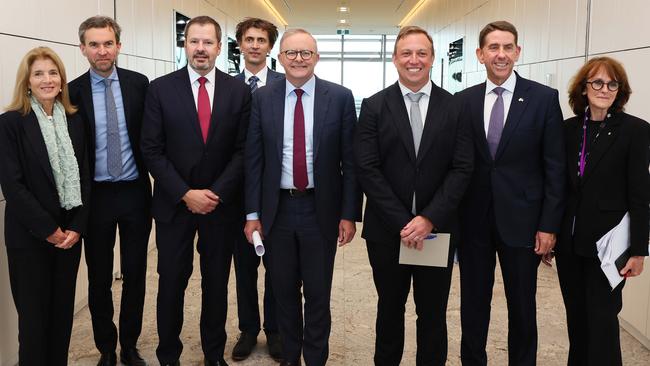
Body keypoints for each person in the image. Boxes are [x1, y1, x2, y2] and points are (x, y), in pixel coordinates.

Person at [354, 26, 473, 365]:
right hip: (388, 233)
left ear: (432, 59)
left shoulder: (455, 107)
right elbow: (368, 169)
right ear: (394, 59)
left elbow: (463, 168)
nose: (414, 60)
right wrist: (405, 222)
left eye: (421, 53)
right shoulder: (374, 106)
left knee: (432, 314)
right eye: (406, 53)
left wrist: (428, 218)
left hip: (436, 230)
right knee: (389, 310)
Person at [244, 28, 362, 366]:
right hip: (276, 211)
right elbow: (253, 161)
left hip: (319, 210)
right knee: (283, 294)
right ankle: (290, 359)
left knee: (318, 295)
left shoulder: (339, 97)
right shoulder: (262, 98)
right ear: (279, 58)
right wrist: (252, 214)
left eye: (306, 53)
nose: (298, 59)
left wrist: (349, 214)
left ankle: (315, 359)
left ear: (317, 58)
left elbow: (350, 163)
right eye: (291, 53)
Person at [141, 15, 251, 366]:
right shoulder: (160, 89)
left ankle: (213, 353)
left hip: (221, 207)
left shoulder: (239, 91)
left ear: (220, 47)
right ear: (185, 44)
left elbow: (244, 150)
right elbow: (151, 150)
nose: (200, 49)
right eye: (194, 41)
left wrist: (215, 193)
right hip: (175, 206)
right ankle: (168, 355)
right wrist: (185, 193)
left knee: (216, 284)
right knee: (171, 282)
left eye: (207, 42)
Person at [455, 20, 565, 366]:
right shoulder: (463, 101)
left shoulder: (543, 99)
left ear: (517, 52)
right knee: (473, 303)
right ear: (480, 54)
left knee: (522, 304)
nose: (500, 55)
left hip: (524, 221)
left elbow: (555, 167)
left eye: (507, 47)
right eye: (493, 48)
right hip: (473, 221)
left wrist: (549, 225)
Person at [68, 15, 152, 366]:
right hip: (96, 198)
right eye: (94, 44)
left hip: (134, 192)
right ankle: (106, 348)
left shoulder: (139, 84)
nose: (102, 51)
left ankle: (129, 345)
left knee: (135, 274)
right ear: (83, 48)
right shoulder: (71, 91)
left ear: (119, 45)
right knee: (99, 277)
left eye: (108, 43)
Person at [0, 46, 90, 366]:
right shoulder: (10, 123)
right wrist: (49, 230)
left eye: (53, 73)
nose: (47, 79)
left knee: (61, 319)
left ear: (62, 81)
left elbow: (85, 177)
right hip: (31, 237)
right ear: (27, 81)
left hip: (69, 236)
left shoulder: (75, 121)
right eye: (38, 73)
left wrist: (77, 226)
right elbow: (13, 186)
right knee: (34, 324)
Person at [556, 56, 649, 366]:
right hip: (571, 245)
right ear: (584, 88)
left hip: (609, 247)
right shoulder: (568, 130)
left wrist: (638, 251)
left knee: (603, 322)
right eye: (597, 82)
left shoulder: (635, 131)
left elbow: (640, 194)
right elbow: (559, 187)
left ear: (619, 91)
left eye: (612, 84)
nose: (604, 89)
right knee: (577, 321)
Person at [231, 16, 283, 362]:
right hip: (235, 195)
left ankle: (276, 331)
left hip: (277, 195)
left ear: (270, 45)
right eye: (248, 39)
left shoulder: (284, 83)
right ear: (239, 44)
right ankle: (249, 329)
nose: (254, 45)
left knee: (278, 269)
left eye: (261, 40)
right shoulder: (228, 86)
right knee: (245, 268)